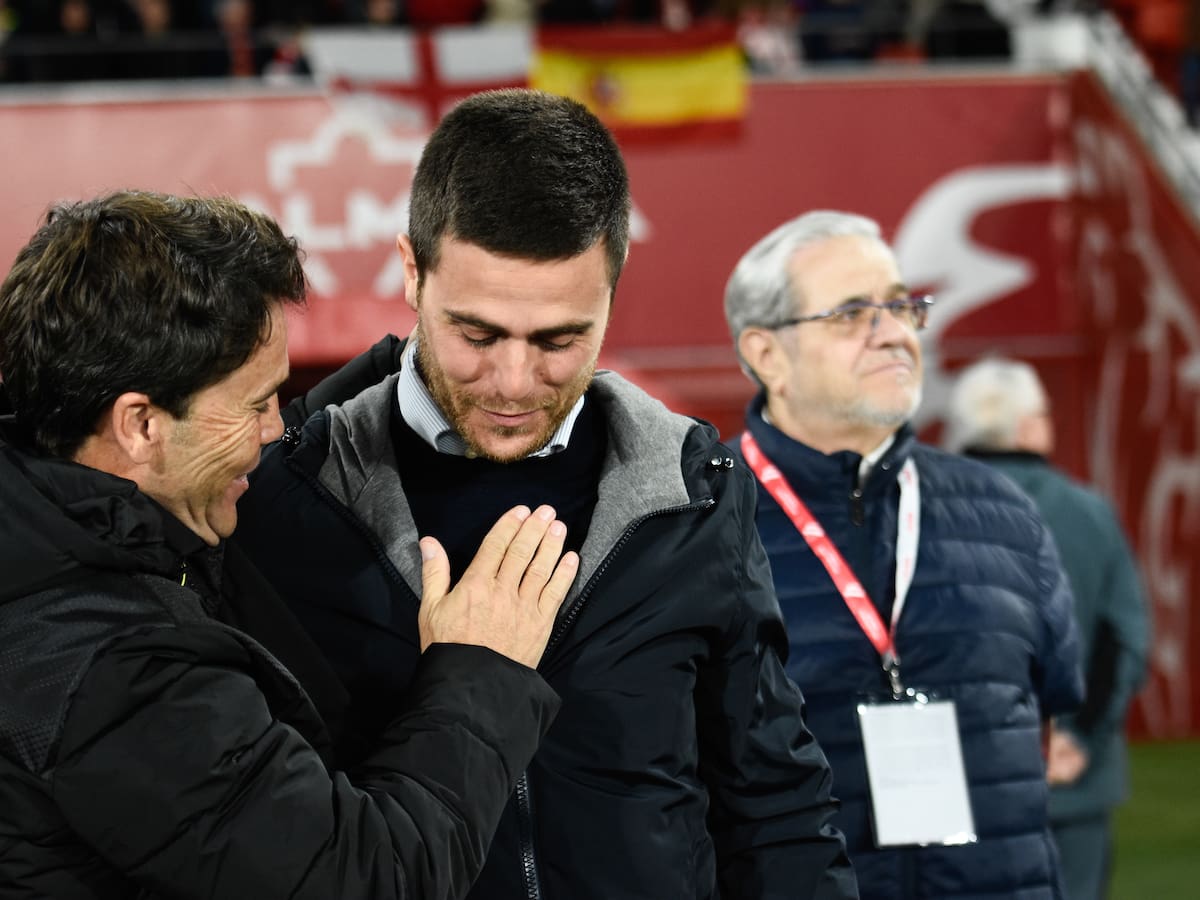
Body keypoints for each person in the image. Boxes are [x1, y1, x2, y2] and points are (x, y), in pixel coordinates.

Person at [232, 88, 857, 900]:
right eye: (477, 334)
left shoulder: (695, 491)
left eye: (559, 339)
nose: (514, 382)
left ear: (612, 293)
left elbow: (772, 805)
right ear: (412, 272)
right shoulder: (279, 499)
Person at [0, 189, 578, 899]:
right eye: (255, 405)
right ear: (141, 425)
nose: (275, 428)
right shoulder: (115, 679)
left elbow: (259, 440)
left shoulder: (54, 493)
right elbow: (369, 879)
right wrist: (481, 672)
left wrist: (415, 366)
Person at [722, 209, 1084, 899]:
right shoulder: (695, 522)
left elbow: (1049, 708)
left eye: (900, 305)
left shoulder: (1003, 512)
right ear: (767, 355)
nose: (892, 331)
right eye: (852, 313)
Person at [944, 356, 1151, 900]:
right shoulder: (1090, 513)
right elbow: (1124, 641)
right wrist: (1077, 741)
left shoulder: (919, 511)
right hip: (1073, 782)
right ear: (1028, 426)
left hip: (962, 780)